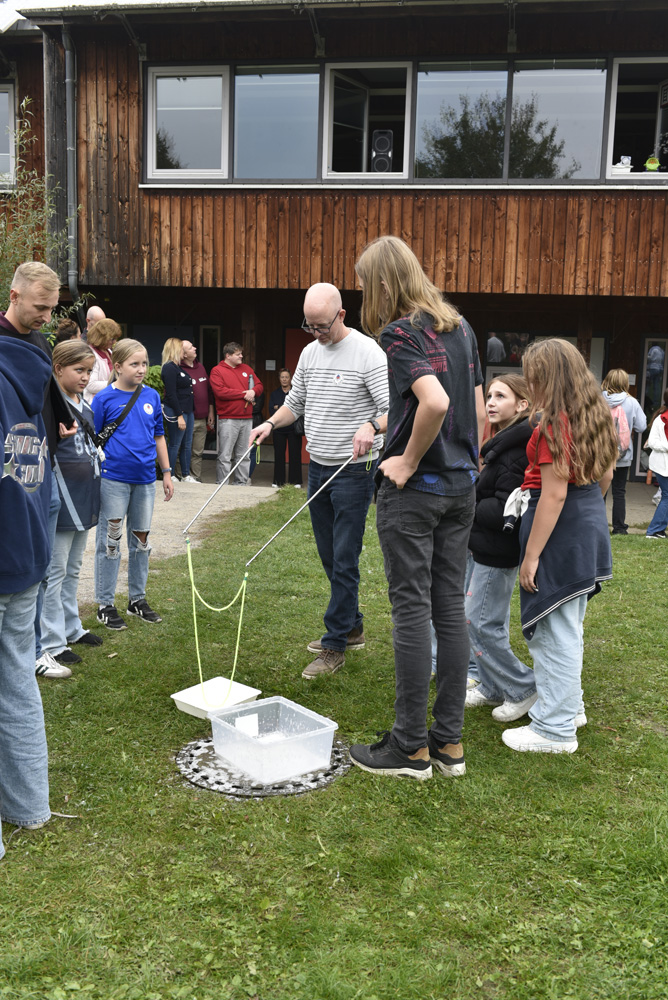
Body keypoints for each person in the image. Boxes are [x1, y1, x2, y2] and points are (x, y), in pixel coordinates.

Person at [347, 236, 485, 780]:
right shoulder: (460, 326)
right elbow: (478, 409)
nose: (364, 293)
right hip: (460, 488)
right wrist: (468, 462)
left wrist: (405, 461)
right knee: (448, 608)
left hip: (419, 492)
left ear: (384, 282)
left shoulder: (401, 332)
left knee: (410, 611)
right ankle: (448, 743)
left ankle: (409, 748)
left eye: (364, 284)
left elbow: (437, 401)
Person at [250, 282, 389, 679]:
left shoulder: (368, 353)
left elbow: (394, 409)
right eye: (309, 326)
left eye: (322, 326)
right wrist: (270, 423)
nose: (315, 333)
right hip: (320, 467)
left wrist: (371, 426)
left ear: (341, 315)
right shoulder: (310, 353)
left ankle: (334, 645)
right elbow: (296, 403)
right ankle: (353, 626)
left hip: (355, 470)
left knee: (344, 557)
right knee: (329, 555)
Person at [502, 338, 617, 754]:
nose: (530, 384)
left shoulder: (554, 423)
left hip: (560, 532)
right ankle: (571, 708)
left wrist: (531, 556)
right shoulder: (596, 413)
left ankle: (554, 729)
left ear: (548, 377)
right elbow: (605, 477)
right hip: (587, 524)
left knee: (553, 632)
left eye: (533, 377)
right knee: (569, 626)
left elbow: (553, 494)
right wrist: (585, 515)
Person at [0, 261, 78, 680]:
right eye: (40, 307)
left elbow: (45, 396)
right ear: (14, 297)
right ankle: (25, 652)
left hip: (42, 465)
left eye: (52, 308)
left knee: (39, 564)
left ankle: (34, 648)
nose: (47, 317)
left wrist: (61, 422)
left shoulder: (38, 344)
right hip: (10, 475)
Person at [0, 334, 53, 858]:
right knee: (16, 679)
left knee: (14, 676)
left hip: (8, 551)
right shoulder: (28, 375)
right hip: (27, 551)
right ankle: (28, 805)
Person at [464, 375, 537, 722]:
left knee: (480, 622)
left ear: (522, 405)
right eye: (489, 395)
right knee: (483, 619)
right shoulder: (501, 444)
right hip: (484, 546)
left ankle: (522, 687)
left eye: (500, 396)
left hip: (497, 551)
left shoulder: (515, 450)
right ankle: (492, 686)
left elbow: (508, 509)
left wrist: (466, 504)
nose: (491, 402)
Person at [91, 339, 174, 631]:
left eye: (144, 363)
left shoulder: (151, 395)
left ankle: (137, 599)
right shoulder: (103, 399)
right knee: (110, 543)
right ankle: (105, 604)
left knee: (141, 542)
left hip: (145, 481)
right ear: (118, 367)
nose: (141, 369)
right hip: (113, 480)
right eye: (134, 364)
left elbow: (159, 436)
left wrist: (166, 472)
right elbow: (93, 440)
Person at [40, 341, 102, 673]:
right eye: (79, 370)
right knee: (55, 571)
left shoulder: (83, 401)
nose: (85, 377)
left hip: (84, 491)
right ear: (58, 368)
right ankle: (52, 641)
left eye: (89, 371)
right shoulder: (49, 404)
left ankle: (71, 627)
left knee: (74, 567)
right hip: (62, 492)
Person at [210, 342, 263, 485]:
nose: (241, 356)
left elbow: (259, 386)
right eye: (238, 354)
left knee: (244, 455)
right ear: (228, 356)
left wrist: (253, 391)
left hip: (247, 418)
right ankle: (222, 484)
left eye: (241, 353)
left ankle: (241, 484)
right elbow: (220, 392)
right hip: (228, 419)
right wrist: (243, 394)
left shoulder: (247, 369)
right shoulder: (217, 371)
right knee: (225, 455)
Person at [601, 369, 647, 535]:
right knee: (619, 491)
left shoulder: (598, 400)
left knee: (600, 490)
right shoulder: (632, 402)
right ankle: (619, 528)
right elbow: (641, 426)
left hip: (600, 453)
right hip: (623, 454)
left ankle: (598, 525)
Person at [161, 337, 196, 483]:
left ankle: (186, 475)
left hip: (187, 410)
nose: (184, 351)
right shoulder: (169, 367)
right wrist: (179, 415)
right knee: (175, 443)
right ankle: (170, 474)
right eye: (181, 348)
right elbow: (171, 394)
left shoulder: (177, 367)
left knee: (187, 444)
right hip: (177, 411)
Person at [179, 339, 215, 482]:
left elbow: (208, 391)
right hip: (187, 417)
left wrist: (211, 411)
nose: (195, 348)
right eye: (190, 348)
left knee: (198, 452)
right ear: (184, 354)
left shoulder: (200, 367)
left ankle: (196, 478)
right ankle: (181, 477)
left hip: (202, 418)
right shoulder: (178, 369)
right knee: (183, 449)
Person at [269, 368, 303, 488]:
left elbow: (300, 408)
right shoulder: (275, 394)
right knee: (279, 455)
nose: (284, 379)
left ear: (290, 378)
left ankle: (296, 481)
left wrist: (279, 408)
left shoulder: (296, 393)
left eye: (287, 377)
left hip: (294, 429)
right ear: (279, 379)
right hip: (279, 429)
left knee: (295, 455)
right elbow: (271, 411)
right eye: (282, 377)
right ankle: (278, 481)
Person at [645, 389, 668, 539]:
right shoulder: (661, 419)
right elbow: (652, 442)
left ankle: (658, 530)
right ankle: (654, 530)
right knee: (667, 496)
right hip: (662, 465)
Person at [84, 318, 122, 404]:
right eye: (112, 339)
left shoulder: (109, 351)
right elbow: (90, 385)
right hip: (96, 403)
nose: (114, 342)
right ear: (102, 338)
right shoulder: (91, 355)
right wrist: (115, 383)